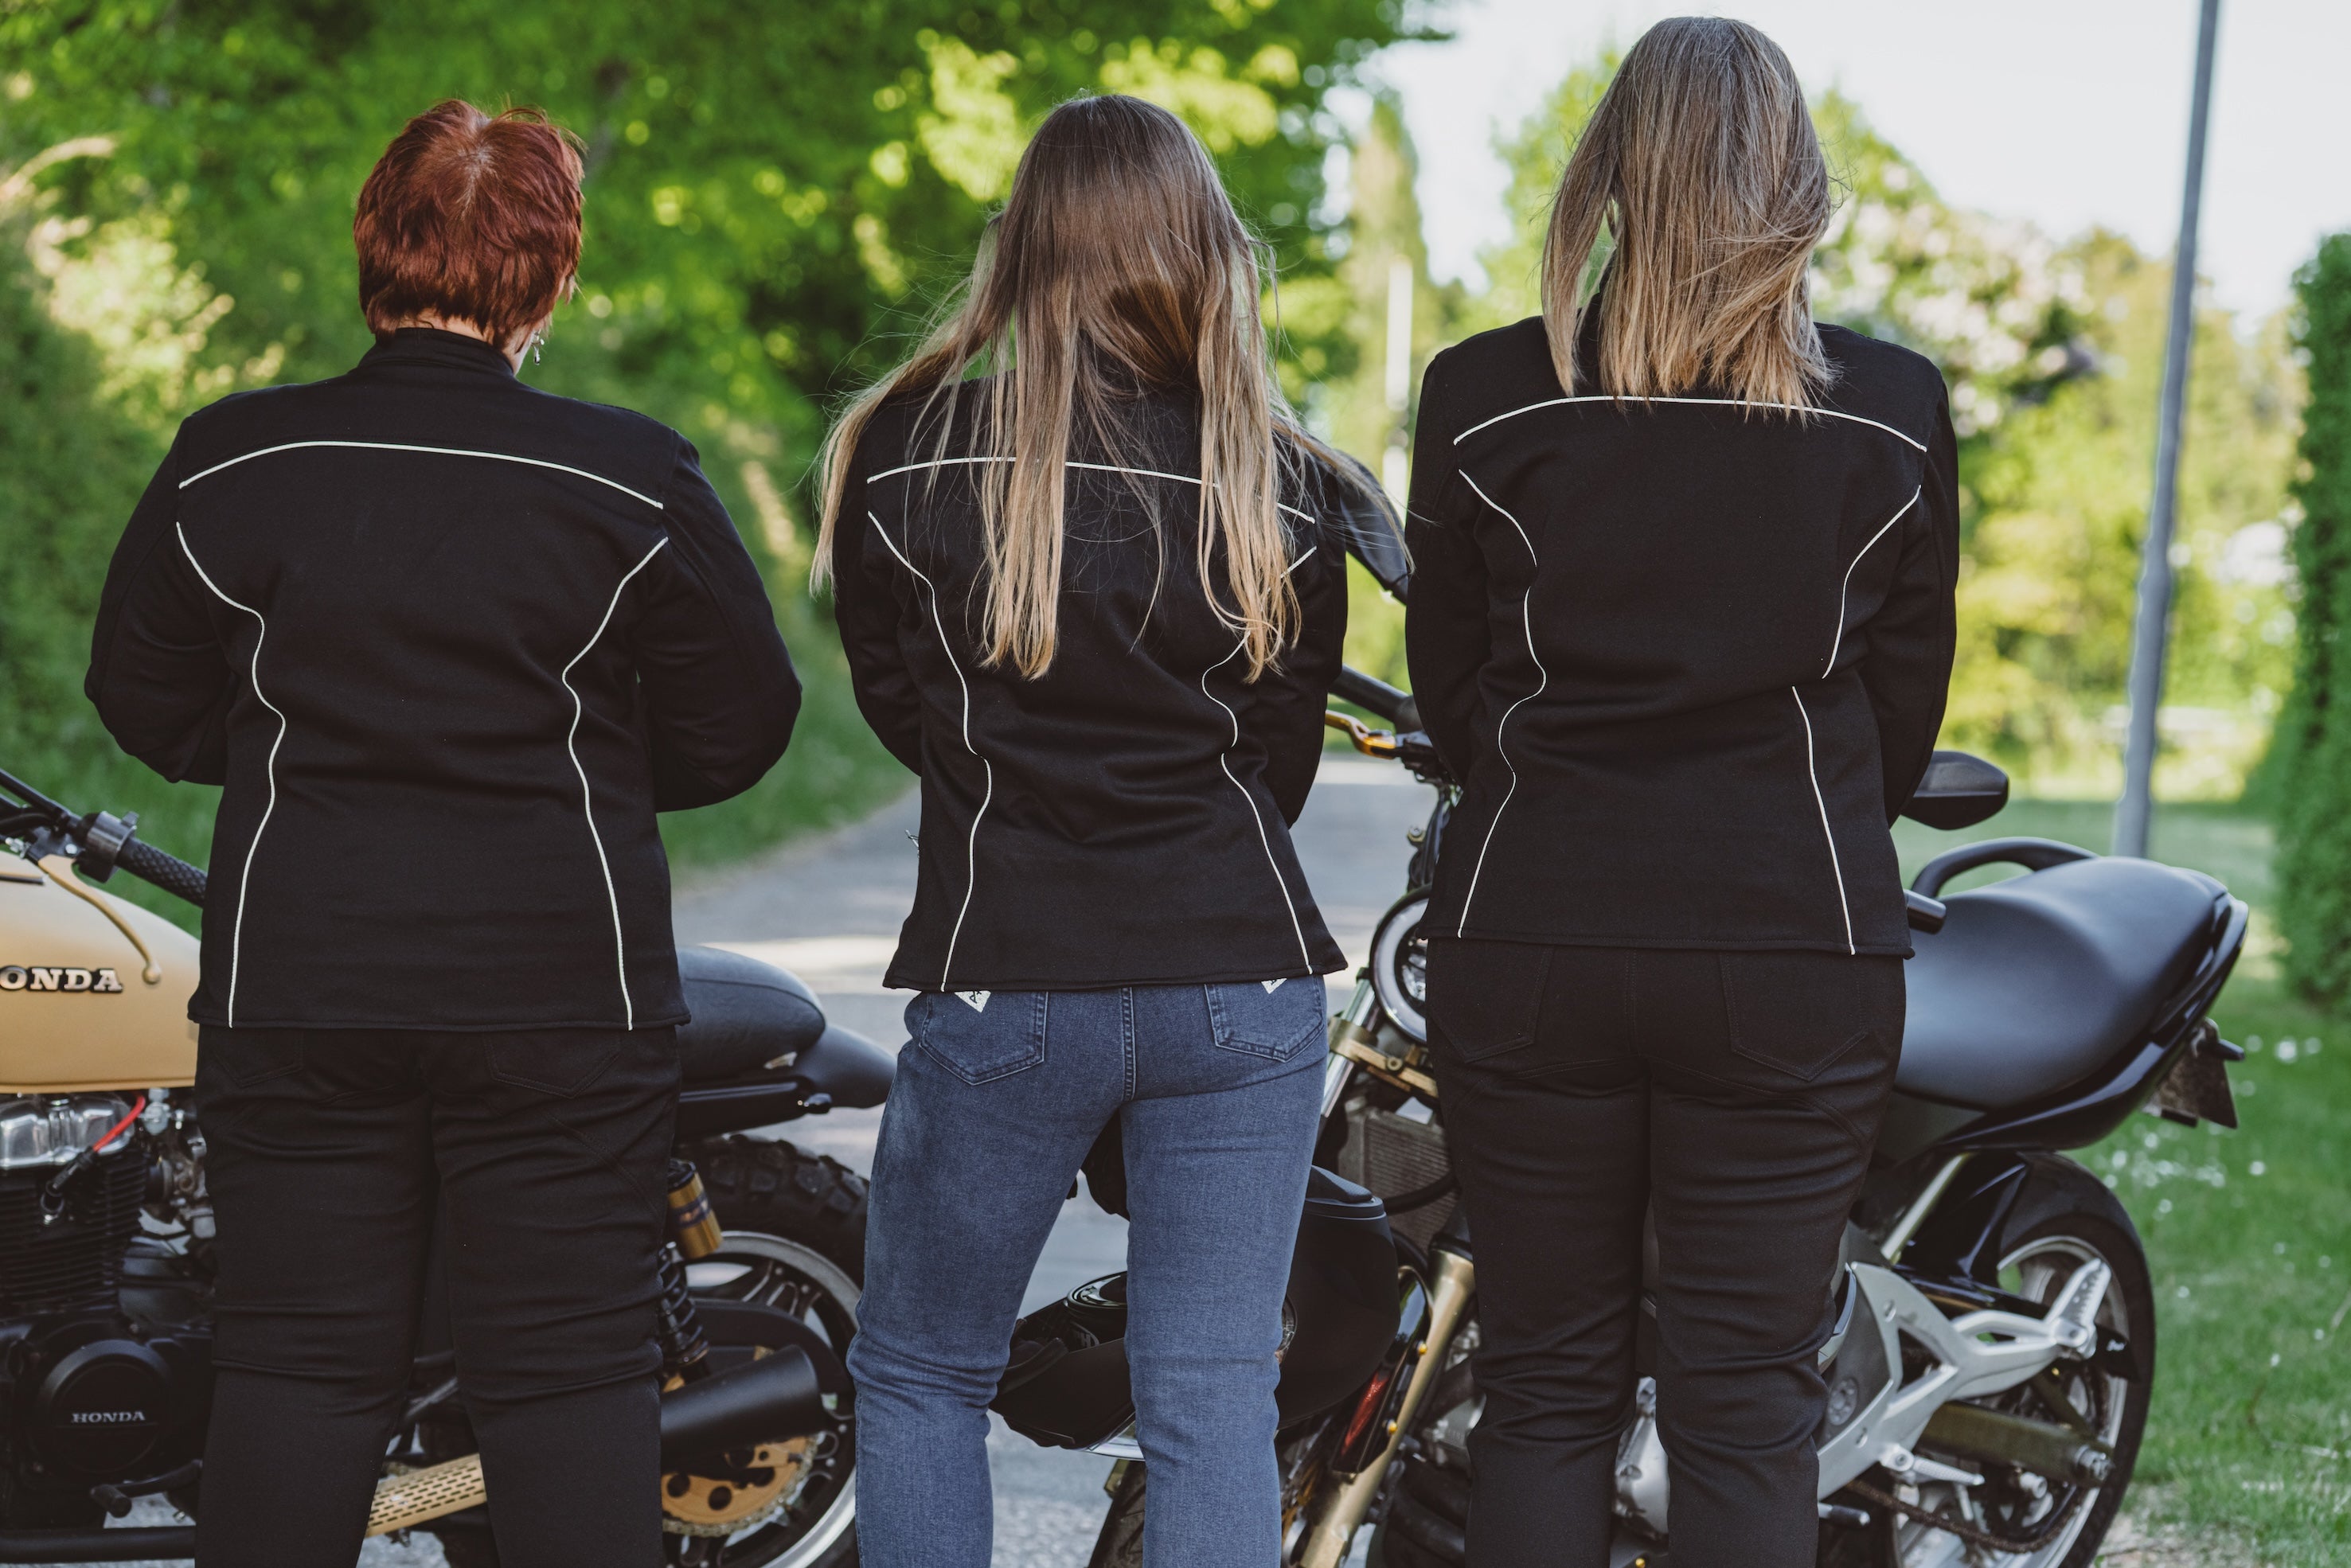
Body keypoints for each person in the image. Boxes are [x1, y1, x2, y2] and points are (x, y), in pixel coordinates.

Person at [86, 100, 799, 1568]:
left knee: (298, 1369)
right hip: (557, 998)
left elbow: (139, 692)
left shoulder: (236, 461)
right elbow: (741, 724)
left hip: (302, 985)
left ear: (373, 246)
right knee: (566, 1378)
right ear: (549, 281)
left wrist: (284, 761)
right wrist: (571, 777)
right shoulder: (630, 481)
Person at [1404, 19, 1959, 1568]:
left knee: (1546, 1388)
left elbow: (1453, 690)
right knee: (1740, 1402)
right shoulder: (1892, 409)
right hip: (1790, 940)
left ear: (1610, 171)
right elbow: (1899, 713)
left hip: (1532, 932)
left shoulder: (1482, 395)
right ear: (1794, 179)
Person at [820, 93, 1382, 1568]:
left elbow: (905, 704)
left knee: (924, 1374)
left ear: (1024, 249)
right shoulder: (1281, 469)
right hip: (1243, 979)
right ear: (1202, 250)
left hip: (1015, 966)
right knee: (1210, 1398)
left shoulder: (906, 448)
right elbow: (1279, 750)